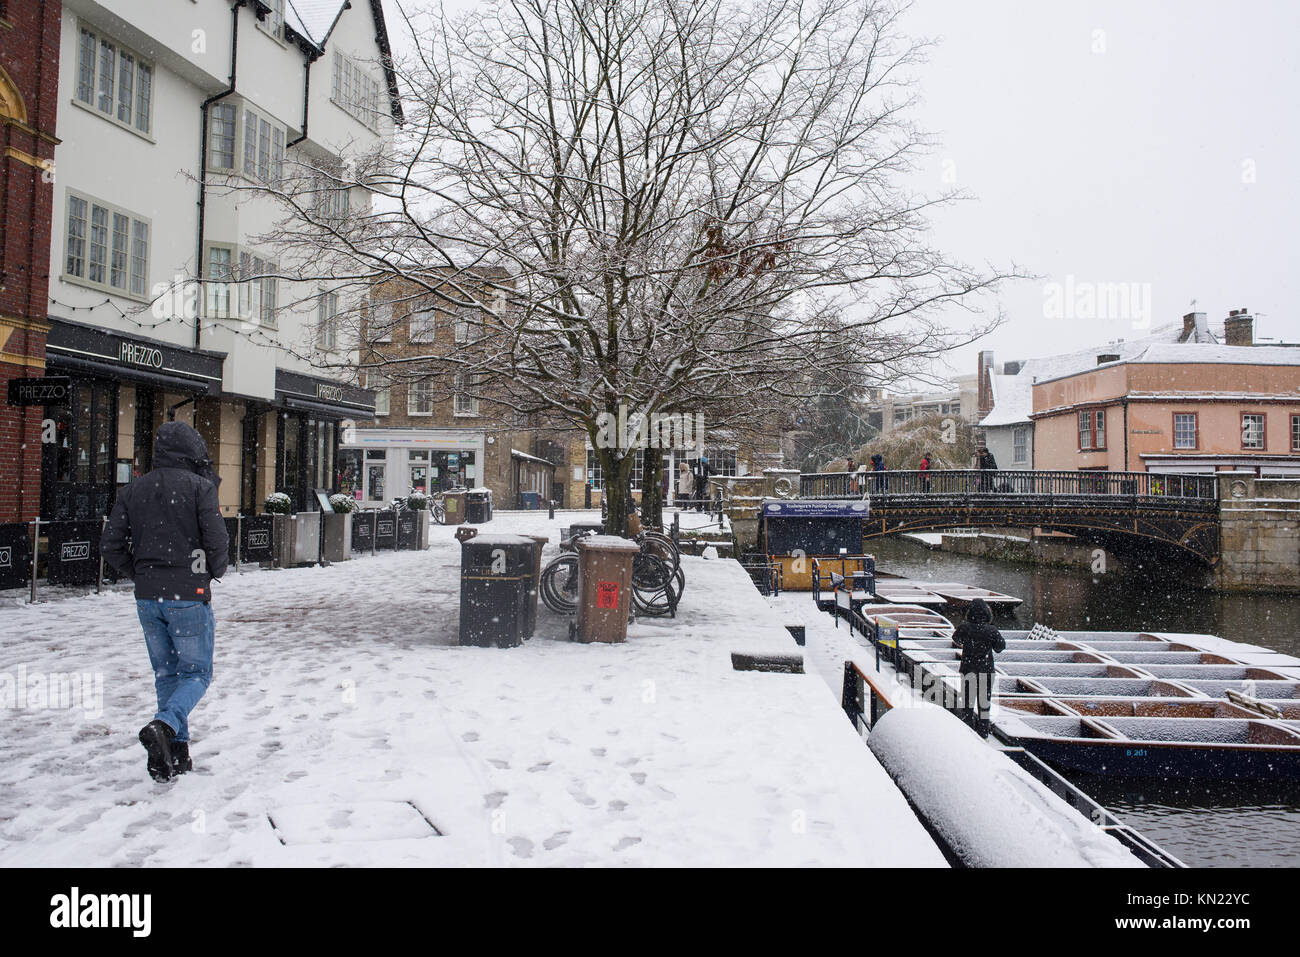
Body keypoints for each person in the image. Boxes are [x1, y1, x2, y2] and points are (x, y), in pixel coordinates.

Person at [101, 421, 229, 782]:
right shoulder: (200, 487)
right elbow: (216, 541)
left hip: (147, 596)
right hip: (188, 593)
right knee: (197, 673)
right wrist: (211, 571)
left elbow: (110, 546)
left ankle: (173, 754)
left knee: (167, 674)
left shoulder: (133, 490)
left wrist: (139, 573)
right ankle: (166, 724)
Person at [952, 598, 1005, 738]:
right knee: (984, 704)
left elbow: (956, 639)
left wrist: (968, 642)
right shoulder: (991, 630)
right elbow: (1000, 648)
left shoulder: (964, 627)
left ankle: (966, 732)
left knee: (968, 704)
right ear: (987, 613)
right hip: (985, 671)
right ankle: (983, 733)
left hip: (968, 669)